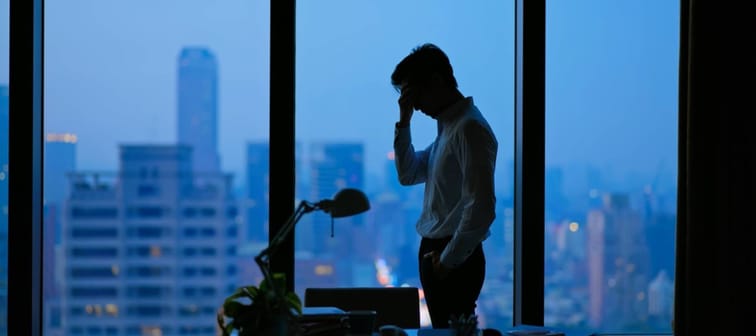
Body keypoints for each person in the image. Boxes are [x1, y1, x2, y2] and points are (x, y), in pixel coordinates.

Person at [391, 43, 498, 328]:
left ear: (436, 81)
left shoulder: (469, 129)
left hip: (452, 253)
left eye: (415, 95)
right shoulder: (450, 129)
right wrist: (404, 121)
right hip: (442, 251)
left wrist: (447, 261)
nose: (414, 105)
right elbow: (409, 174)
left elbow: (482, 207)